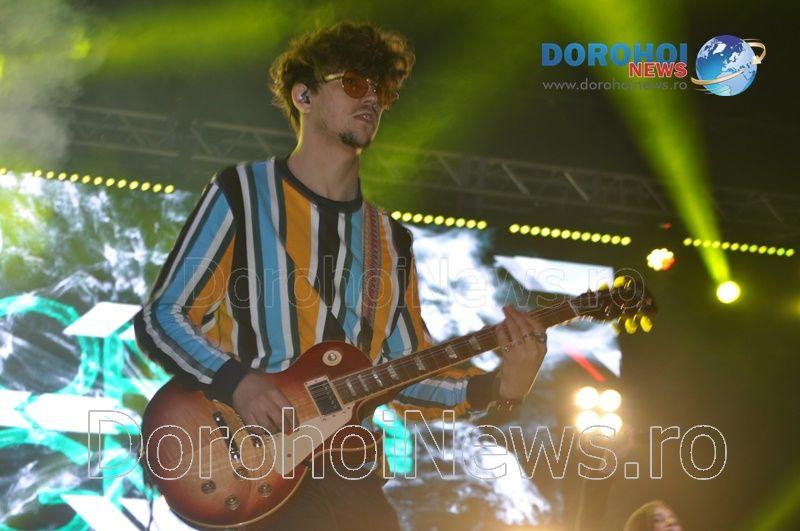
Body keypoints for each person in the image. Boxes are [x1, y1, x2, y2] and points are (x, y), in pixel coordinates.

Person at [133, 21, 549, 530]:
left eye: (382, 90)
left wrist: (503, 385)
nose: (371, 97)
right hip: (253, 469)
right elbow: (162, 317)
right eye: (354, 83)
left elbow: (409, 375)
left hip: (350, 475)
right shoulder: (243, 193)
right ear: (304, 96)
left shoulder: (391, 241)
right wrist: (239, 383)